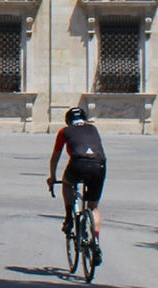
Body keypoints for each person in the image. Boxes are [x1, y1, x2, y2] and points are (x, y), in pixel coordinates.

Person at [47, 106, 105, 265]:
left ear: (68, 121)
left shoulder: (64, 131)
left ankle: (68, 217)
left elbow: (55, 158)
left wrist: (53, 177)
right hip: (99, 164)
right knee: (93, 207)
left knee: (67, 184)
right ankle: (96, 243)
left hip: (78, 164)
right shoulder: (93, 128)